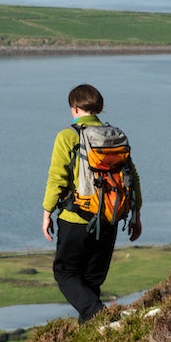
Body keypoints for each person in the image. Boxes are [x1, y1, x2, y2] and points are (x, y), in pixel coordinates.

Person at [41, 83, 141, 320]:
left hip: (76, 217)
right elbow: (132, 176)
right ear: (99, 108)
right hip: (111, 216)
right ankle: (96, 334)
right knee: (92, 280)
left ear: (74, 108)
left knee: (65, 273)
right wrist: (136, 215)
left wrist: (47, 212)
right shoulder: (116, 135)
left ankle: (101, 317)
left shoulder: (67, 136)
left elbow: (57, 178)